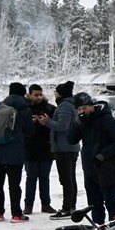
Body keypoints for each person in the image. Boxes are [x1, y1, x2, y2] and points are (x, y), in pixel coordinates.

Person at [67, 92, 115, 224]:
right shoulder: (83, 122)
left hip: (109, 168)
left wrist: (103, 155)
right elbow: (71, 140)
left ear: (92, 106)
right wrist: (77, 123)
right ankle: (100, 229)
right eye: (79, 109)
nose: (82, 112)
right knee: (94, 203)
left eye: (85, 108)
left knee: (111, 201)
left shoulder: (105, 119)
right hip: (90, 168)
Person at [0, 82, 34, 222]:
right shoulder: (24, 109)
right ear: (23, 93)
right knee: (14, 185)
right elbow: (29, 131)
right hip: (14, 153)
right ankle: (16, 214)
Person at [38, 80, 80, 213]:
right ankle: (71, 206)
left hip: (64, 147)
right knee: (70, 178)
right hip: (69, 146)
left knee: (66, 179)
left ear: (60, 94)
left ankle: (67, 208)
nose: (54, 95)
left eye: (56, 92)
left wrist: (47, 122)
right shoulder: (71, 104)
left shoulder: (64, 106)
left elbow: (62, 126)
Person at [23, 84, 56, 214]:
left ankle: (46, 204)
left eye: (40, 94)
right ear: (29, 95)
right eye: (36, 95)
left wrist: (46, 122)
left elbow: (55, 126)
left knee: (44, 177)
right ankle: (28, 205)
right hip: (30, 148)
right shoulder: (25, 109)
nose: (39, 97)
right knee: (31, 177)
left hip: (46, 147)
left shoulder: (49, 108)